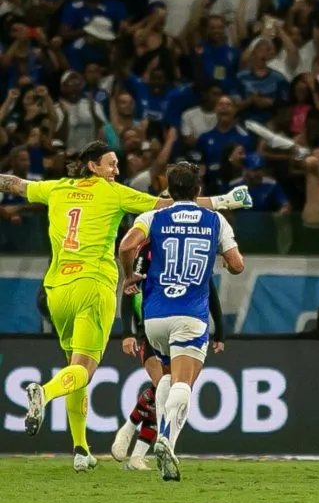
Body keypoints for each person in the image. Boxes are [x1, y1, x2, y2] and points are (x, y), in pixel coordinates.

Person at [0, 142, 251, 472]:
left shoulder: (56, 188)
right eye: (110, 164)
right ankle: (43, 394)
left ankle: (80, 450)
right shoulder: (114, 193)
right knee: (84, 368)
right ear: (93, 166)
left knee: (74, 370)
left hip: (55, 289)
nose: (116, 171)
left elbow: (14, 184)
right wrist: (224, 201)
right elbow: (170, 205)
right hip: (94, 286)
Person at [118, 162, 245, 481]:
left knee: (164, 378)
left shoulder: (152, 217)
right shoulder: (216, 220)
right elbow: (237, 265)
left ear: (169, 192)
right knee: (183, 383)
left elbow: (126, 245)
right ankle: (164, 437)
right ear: (199, 190)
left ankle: (164, 447)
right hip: (190, 314)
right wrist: (223, 263)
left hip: (155, 317)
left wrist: (129, 276)